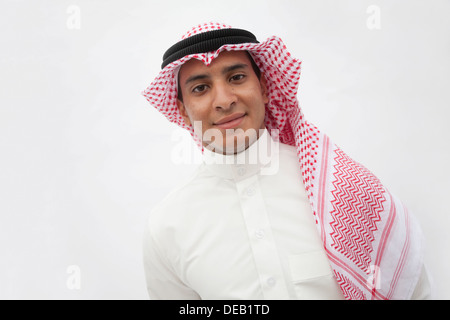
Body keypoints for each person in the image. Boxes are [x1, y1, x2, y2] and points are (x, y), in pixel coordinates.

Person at [141, 22, 431, 300]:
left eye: (236, 77)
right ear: (181, 110)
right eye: (200, 88)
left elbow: (412, 289)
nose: (224, 100)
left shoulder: (341, 188)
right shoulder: (167, 227)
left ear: (265, 88)